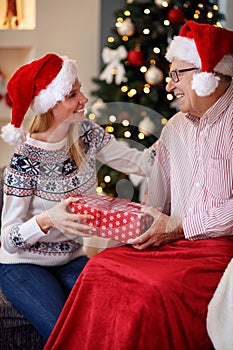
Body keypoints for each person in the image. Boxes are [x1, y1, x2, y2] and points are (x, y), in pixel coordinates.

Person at [44, 21, 233, 350]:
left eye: (177, 74)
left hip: (220, 253)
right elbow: (157, 205)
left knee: (153, 289)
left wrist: (179, 227)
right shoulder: (175, 127)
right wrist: (137, 224)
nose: (170, 86)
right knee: (100, 267)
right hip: (175, 246)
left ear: (208, 74)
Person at [0, 53, 155, 343]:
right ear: (50, 105)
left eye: (79, 89)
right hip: (21, 264)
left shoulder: (86, 134)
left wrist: (172, 136)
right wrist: (47, 220)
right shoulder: (24, 160)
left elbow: (139, 162)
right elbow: (8, 238)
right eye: (72, 95)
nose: (83, 98)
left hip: (71, 258)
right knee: (68, 332)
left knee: (113, 312)